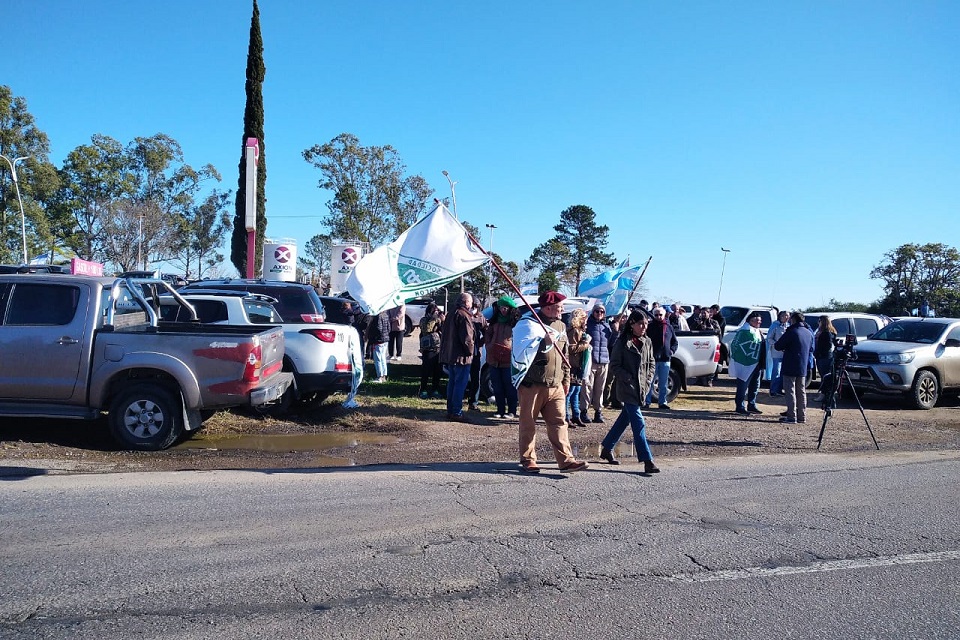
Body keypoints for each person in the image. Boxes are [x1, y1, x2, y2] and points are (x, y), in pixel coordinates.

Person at [515, 291, 588, 474]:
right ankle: (528, 459)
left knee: (559, 423)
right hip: (532, 384)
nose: (562, 309)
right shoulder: (527, 325)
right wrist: (542, 344)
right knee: (528, 423)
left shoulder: (561, 325)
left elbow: (564, 355)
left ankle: (566, 461)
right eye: (559, 307)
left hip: (556, 385)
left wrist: (565, 379)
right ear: (548, 308)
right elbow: (521, 352)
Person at [599, 310, 659, 473]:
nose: (643, 327)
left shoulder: (647, 341)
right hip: (627, 388)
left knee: (624, 420)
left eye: (646, 324)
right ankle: (647, 460)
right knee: (639, 423)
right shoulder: (622, 342)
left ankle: (606, 448)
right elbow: (614, 365)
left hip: (642, 388)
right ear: (631, 324)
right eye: (640, 324)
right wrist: (627, 378)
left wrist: (647, 381)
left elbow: (652, 363)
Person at [439, 292, 475, 422]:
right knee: (460, 384)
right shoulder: (463, 316)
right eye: (470, 302)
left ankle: (450, 410)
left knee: (452, 384)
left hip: (451, 355)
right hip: (461, 357)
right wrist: (471, 351)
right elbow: (467, 338)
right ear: (466, 302)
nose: (472, 305)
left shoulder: (451, 314)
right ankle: (456, 412)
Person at [774, 311, 814, 424]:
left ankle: (791, 416)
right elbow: (811, 348)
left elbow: (778, 345)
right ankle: (802, 416)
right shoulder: (808, 332)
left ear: (794, 319)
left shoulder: (792, 331)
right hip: (803, 365)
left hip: (790, 364)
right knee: (801, 391)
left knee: (790, 390)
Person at [485, 295, 519, 419]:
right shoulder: (494, 322)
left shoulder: (516, 323)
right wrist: (489, 346)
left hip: (509, 360)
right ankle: (500, 409)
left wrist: (512, 350)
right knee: (497, 387)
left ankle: (511, 410)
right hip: (494, 359)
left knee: (510, 387)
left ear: (511, 309)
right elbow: (488, 334)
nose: (503, 310)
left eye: (506, 308)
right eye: (501, 308)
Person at [729, 311, 766, 414]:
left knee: (755, 385)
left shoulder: (758, 331)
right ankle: (740, 406)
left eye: (760, 321)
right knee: (743, 386)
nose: (759, 322)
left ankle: (752, 404)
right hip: (745, 363)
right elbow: (738, 345)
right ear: (750, 321)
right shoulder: (744, 331)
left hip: (757, 363)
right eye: (757, 320)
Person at [644, 306, 678, 409]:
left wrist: (671, 351)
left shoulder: (668, 327)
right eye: (656, 315)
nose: (658, 316)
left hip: (665, 359)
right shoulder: (649, 327)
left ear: (664, 315)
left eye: (660, 315)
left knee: (663, 383)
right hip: (653, 359)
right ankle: (647, 401)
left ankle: (662, 402)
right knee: (649, 381)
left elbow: (674, 342)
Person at [584, 304, 612, 423]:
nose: (599, 313)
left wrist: (615, 331)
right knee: (587, 387)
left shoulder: (607, 327)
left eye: (602, 312)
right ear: (593, 312)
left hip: (604, 361)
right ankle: (583, 411)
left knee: (600, 388)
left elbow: (612, 343)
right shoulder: (587, 325)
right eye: (597, 311)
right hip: (591, 360)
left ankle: (598, 412)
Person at [565, 308, 590, 428]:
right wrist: (585, 344)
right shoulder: (573, 331)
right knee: (569, 392)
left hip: (579, 365)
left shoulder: (580, 331)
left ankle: (576, 415)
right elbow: (570, 348)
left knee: (576, 392)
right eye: (584, 318)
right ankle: (565, 416)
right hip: (572, 365)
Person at [464, 296, 488, 411]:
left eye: (476, 307)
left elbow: (486, 331)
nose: (473, 308)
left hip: (476, 353)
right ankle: (458, 400)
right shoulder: (463, 315)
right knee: (461, 377)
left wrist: (481, 342)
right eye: (473, 306)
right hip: (464, 352)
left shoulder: (480, 317)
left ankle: (473, 402)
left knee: (475, 379)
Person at [418, 302, 444, 399]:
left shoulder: (439, 320)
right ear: (429, 311)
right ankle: (423, 390)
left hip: (438, 348)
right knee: (426, 371)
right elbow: (427, 330)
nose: (436, 313)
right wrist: (434, 319)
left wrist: (442, 320)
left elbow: (445, 330)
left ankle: (435, 389)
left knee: (437, 371)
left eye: (437, 311)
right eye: (434, 311)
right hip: (428, 349)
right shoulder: (424, 320)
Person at [813, 315, 838, 403]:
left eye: (819, 321)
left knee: (825, 377)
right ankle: (825, 394)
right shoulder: (822, 332)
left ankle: (824, 394)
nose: (818, 323)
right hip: (822, 357)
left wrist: (819, 353)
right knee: (824, 376)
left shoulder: (827, 333)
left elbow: (827, 346)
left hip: (825, 357)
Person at [604, 312, 624, 409]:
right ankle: (605, 400)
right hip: (611, 356)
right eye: (620, 317)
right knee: (609, 381)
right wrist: (615, 332)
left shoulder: (625, 329)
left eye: (624, 317)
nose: (622, 319)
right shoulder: (609, 328)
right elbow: (611, 343)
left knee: (617, 381)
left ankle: (616, 400)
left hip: (621, 358)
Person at [767, 310, 790, 397]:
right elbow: (769, 338)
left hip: (786, 353)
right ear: (780, 317)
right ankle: (773, 390)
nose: (786, 317)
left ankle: (779, 389)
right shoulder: (775, 325)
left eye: (788, 316)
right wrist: (777, 345)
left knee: (782, 372)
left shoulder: (788, 326)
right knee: (776, 370)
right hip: (777, 352)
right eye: (784, 316)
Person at [366, 309, 391, 383]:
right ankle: (384, 375)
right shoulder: (386, 315)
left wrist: (374, 337)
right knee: (383, 357)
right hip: (385, 339)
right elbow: (389, 327)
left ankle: (379, 376)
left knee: (377, 359)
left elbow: (378, 328)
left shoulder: (378, 317)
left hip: (379, 340)